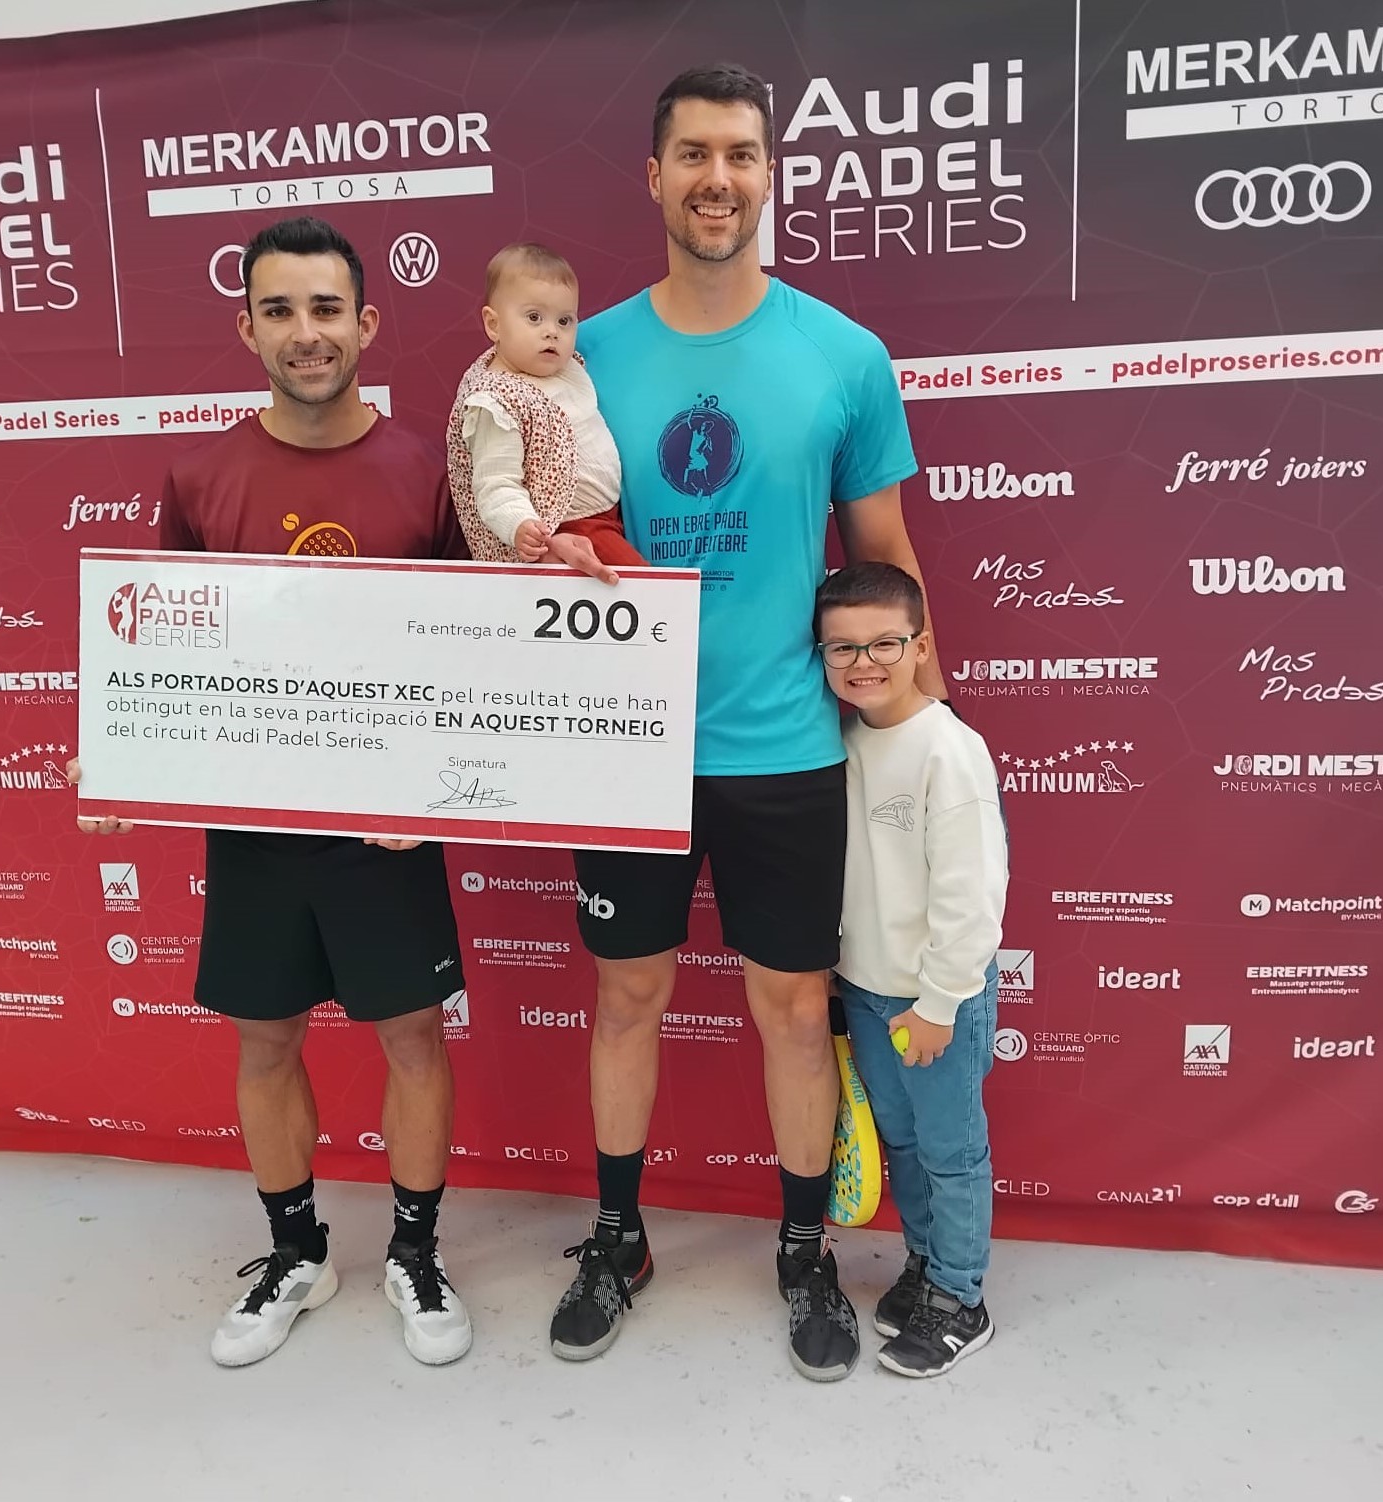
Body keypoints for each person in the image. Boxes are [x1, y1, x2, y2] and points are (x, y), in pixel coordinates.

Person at [548, 63, 952, 1381]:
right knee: (627, 996)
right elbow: (514, 539)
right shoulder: (579, 357)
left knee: (791, 1007)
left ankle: (800, 1248)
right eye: (692, 156)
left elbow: (883, 564)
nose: (717, 179)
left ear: (768, 172)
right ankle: (619, 1232)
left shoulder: (843, 355)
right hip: (622, 752)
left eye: (740, 154)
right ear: (653, 177)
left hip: (785, 749)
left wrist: (926, 736)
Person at [69, 215, 473, 1369]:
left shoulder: (424, 470)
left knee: (410, 1038)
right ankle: (297, 1251)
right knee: (264, 1040)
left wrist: (432, 791)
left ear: (366, 322)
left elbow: (471, 658)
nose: (308, 333)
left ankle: (414, 1248)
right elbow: (162, 659)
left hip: (386, 829)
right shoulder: (199, 475)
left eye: (327, 309)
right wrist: (120, 756)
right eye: (282, 311)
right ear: (247, 326)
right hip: (254, 828)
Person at [817, 562, 1006, 1379]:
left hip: (937, 1000)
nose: (864, 662)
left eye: (885, 643)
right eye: (842, 647)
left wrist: (936, 1003)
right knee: (901, 1140)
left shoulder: (950, 751)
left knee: (951, 1151)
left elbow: (972, 893)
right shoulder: (844, 738)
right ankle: (927, 1266)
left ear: (921, 645)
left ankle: (962, 1297)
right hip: (864, 988)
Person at [446, 242, 644, 576]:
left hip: (610, 516)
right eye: (534, 317)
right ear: (493, 324)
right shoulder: (495, 401)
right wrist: (520, 524)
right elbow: (495, 483)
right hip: (574, 530)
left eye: (565, 320)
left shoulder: (562, 373)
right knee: (650, 594)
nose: (551, 331)